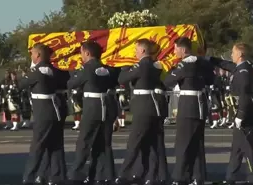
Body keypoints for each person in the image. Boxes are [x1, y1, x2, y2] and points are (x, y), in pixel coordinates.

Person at [163, 37, 214, 185]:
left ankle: (180, 177)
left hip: (188, 105)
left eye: (176, 49)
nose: (174, 51)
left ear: (184, 49)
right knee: (197, 142)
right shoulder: (202, 63)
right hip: (201, 104)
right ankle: (198, 176)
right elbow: (211, 79)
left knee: (183, 143)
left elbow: (167, 81)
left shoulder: (183, 64)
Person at [208, 43, 253, 185]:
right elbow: (225, 64)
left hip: (244, 115)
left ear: (240, 54)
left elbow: (245, 95)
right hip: (238, 113)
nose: (231, 55)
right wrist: (210, 59)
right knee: (236, 149)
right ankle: (230, 178)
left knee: (248, 149)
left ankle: (252, 178)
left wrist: (240, 116)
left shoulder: (244, 71)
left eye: (233, 52)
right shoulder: (239, 68)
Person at [67, 40, 116, 185]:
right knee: (104, 144)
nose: (81, 56)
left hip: (92, 107)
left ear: (87, 53)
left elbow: (71, 83)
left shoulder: (86, 68)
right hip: (106, 107)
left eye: (82, 53)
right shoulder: (107, 69)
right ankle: (105, 175)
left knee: (84, 141)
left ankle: (75, 173)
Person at [115, 39, 163, 185]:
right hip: (154, 106)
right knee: (152, 144)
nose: (135, 52)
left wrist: (125, 67)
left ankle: (124, 174)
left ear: (142, 50)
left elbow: (122, 79)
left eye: (136, 50)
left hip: (143, 107)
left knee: (134, 142)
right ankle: (151, 176)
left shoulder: (142, 65)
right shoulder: (157, 65)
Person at [21, 43, 65, 185]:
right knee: (55, 146)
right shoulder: (54, 70)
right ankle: (56, 177)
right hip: (55, 112)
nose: (31, 56)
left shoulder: (36, 72)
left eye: (32, 53)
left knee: (37, 146)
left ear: (38, 55)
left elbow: (21, 84)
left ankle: (29, 177)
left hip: (43, 113)